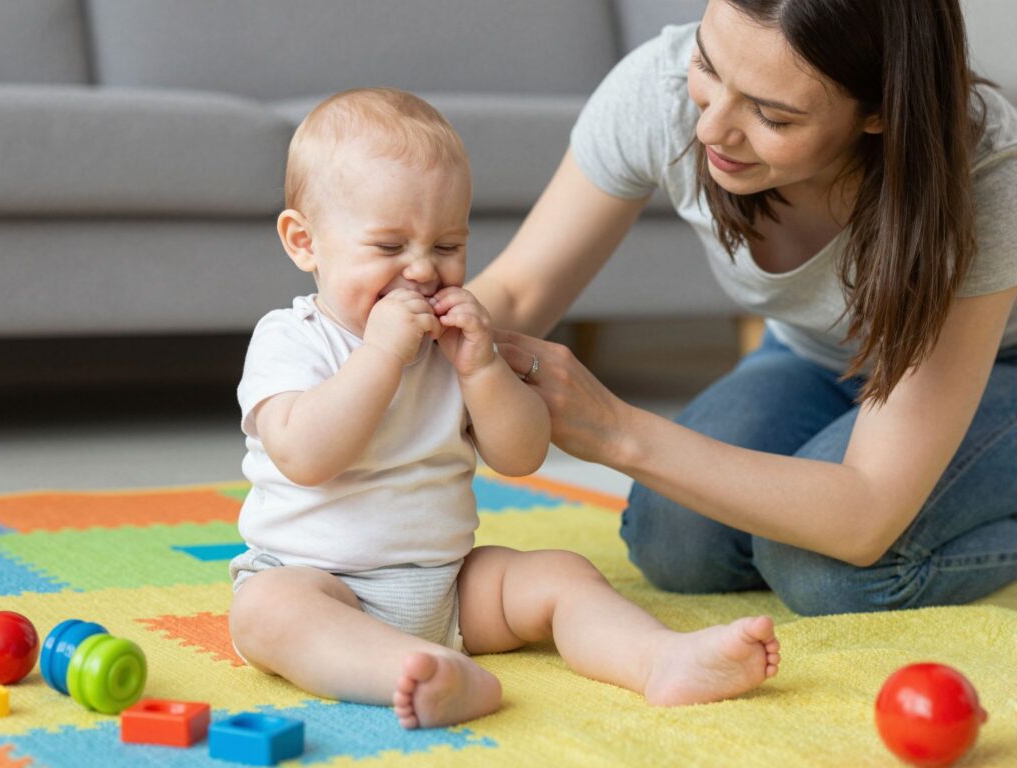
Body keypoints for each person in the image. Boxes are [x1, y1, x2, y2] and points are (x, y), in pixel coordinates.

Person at [227, 87, 780, 730]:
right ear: (305, 242)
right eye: (388, 247)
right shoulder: (291, 339)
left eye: (446, 246)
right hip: (316, 579)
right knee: (267, 613)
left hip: (449, 586)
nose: (423, 271)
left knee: (561, 575)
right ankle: (413, 671)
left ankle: (657, 658)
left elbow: (520, 456)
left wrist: (484, 368)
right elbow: (304, 455)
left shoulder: (454, 345)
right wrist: (378, 355)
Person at [470, 0, 1017, 616]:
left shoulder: (987, 175)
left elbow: (865, 512)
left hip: (998, 367)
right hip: (817, 354)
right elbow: (518, 291)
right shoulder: (661, 89)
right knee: (676, 543)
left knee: (827, 571)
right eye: (708, 65)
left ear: (880, 114)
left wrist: (616, 430)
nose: (710, 129)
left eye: (771, 116)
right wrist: (382, 359)